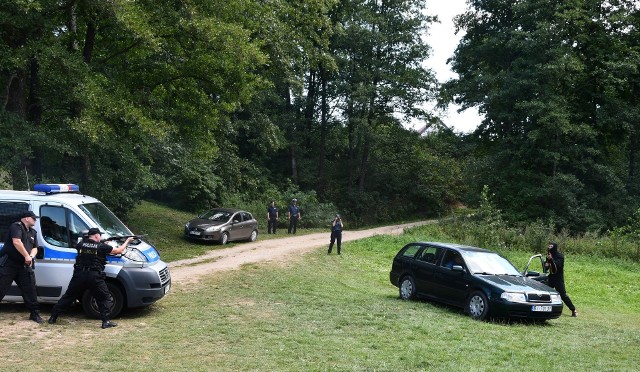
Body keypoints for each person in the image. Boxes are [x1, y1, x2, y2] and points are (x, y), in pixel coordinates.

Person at [48, 228, 133, 329]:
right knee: (104, 297)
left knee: (69, 296)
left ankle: (53, 317)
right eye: (99, 235)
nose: (100, 237)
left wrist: (102, 243)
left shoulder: (80, 245)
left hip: (79, 275)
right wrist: (127, 241)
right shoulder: (101, 246)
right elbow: (119, 251)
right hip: (94, 276)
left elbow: (87, 246)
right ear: (97, 236)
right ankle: (105, 321)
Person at [0, 211, 44, 323]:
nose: (35, 220)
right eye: (34, 218)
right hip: (9, 264)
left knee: (30, 289)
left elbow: (35, 248)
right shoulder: (16, 226)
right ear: (27, 218)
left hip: (23, 265)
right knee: (1, 288)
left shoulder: (33, 232)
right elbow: (16, 242)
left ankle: (34, 314)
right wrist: (26, 256)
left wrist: (30, 256)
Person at [545, 242, 578, 317]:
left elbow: (557, 266)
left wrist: (551, 260)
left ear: (555, 247)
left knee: (563, 295)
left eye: (551, 246)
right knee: (546, 292)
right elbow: (547, 267)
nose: (549, 248)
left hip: (558, 279)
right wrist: (546, 264)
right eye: (549, 246)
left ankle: (573, 310)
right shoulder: (548, 255)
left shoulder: (560, 256)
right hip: (551, 277)